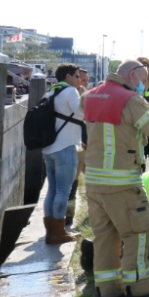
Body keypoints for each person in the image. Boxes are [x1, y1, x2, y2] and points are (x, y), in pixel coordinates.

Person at [82, 59, 149, 297]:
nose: (143, 86)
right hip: (122, 180)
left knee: (105, 237)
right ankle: (139, 288)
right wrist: (148, 106)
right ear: (133, 76)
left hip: (95, 182)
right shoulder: (132, 100)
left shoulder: (90, 95)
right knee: (137, 233)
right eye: (143, 81)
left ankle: (108, 291)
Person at [42, 63, 85, 243]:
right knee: (63, 191)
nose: (79, 80)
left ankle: (51, 232)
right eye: (77, 76)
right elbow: (83, 114)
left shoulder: (51, 92)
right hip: (65, 147)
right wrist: (84, 96)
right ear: (68, 77)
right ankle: (58, 232)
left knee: (52, 190)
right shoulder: (70, 92)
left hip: (49, 149)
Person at [65, 68, 90, 228]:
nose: (86, 84)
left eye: (87, 81)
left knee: (95, 179)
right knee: (72, 183)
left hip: (88, 145)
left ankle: (97, 211)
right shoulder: (71, 96)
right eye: (83, 80)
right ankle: (68, 216)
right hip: (77, 145)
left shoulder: (85, 95)